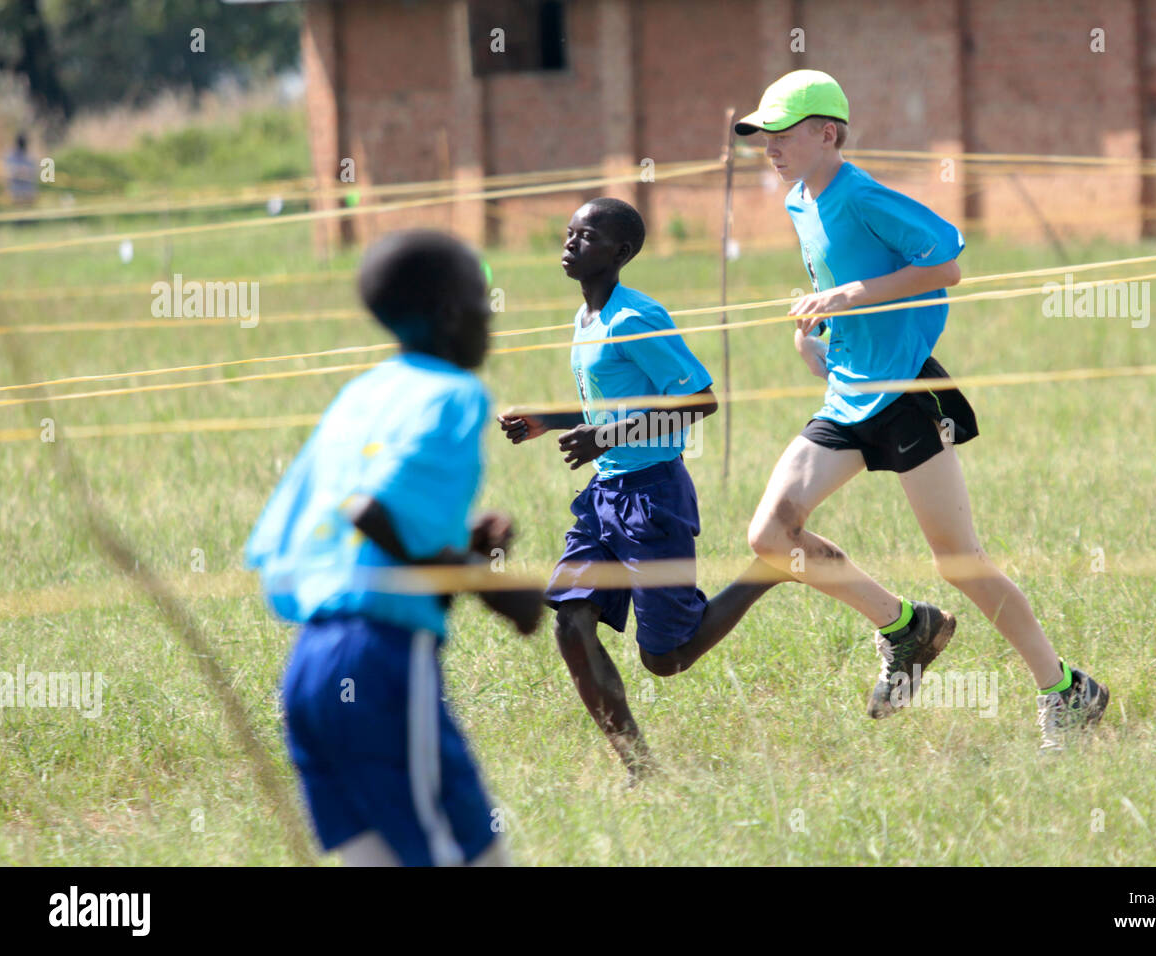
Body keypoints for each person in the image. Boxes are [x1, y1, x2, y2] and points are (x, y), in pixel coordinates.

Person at [734, 70, 1108, 751]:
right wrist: (815, 331)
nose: (771, 148)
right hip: (846, 395)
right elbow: (831, 282)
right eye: (764, 138)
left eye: (782, 134)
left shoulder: (864, 195)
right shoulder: (798, 203)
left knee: (959, 561)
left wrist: (853, 294)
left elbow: (945, 264)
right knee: (770, 535)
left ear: (828, 133)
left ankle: (1067, 690)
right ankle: (905, 627)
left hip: (906, 392)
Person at [246, 229, 542, 865]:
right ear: (449, 313)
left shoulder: (363, 394)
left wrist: (458, 540)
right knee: (466, 855)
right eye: (482, 298)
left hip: (308, 672)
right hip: (379, 663)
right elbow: (374, 510)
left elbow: (338, 515)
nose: (492, 313)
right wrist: (491, 585)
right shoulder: (456, 396)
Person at [498, 198, 784, 782]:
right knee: (570, 620)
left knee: (666, 658)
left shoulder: (636, 318)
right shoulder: (586, 319)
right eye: (570, 231)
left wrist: (608, 436)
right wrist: (547, 420)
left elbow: (698, 399)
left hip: (654, 497)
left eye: (589, 235)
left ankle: (771, 568)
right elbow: (607, 404)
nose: (572, 242)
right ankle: (640, 768)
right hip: (603, 498)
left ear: (621, 253)